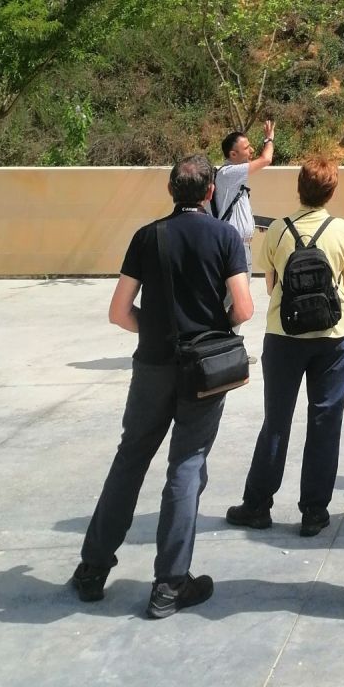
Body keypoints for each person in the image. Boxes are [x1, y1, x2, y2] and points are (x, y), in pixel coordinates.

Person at [70, 153, 253, 618]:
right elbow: (244, 308)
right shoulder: (225, 236)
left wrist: (153, 331)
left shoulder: (146, 236)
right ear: (210, 191)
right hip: (203, 372)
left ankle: (92, 569)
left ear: (171, 191)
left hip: (152, 366)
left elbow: (118, 311)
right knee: (186, 466)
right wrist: (216, 330)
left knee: (130, 459)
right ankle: (170, 585)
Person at [225, 157, 344, 538]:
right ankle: (314, 511)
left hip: (284, 336)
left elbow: (270, 287)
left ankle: (257, 505)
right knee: (325, 422)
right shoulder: (343, 230)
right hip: (334, 338)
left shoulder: (279, 231)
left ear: (299, 187)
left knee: (277, 421)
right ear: (331, 191)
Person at [213, 119, 276, 276]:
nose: (252, 150)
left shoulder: (233, 176)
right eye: (247, 148)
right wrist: (269, 139)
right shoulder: (228, 173)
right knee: (237, 298)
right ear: (233, 154)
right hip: (234, 248)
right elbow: (266, 159)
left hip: (238, 247)